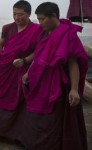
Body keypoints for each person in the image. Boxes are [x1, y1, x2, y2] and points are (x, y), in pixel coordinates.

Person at [20, 2, 88, 149]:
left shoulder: (67, 33)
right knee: (38, 117)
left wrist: (74, 89)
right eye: (38, 19)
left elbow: (73, 64)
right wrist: (28, 72)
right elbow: (39, 57)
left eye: (43, 19)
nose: (40, 22)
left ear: (54, 16)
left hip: (59, 87)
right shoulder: (45, 34)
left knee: (56, 121)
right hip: (41, 83)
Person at [0, 0, 43, 140]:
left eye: (21, 15)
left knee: (20, 99)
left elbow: (38, 52)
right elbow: (0, 44)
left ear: (29, 14)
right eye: (14, 14)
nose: (17, 18)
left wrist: (25, 61)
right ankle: (2, 131)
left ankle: (18, 135)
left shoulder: (37, 29)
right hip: (6, 68)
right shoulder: (7, 28)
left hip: (24, 69)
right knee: (3, 97)